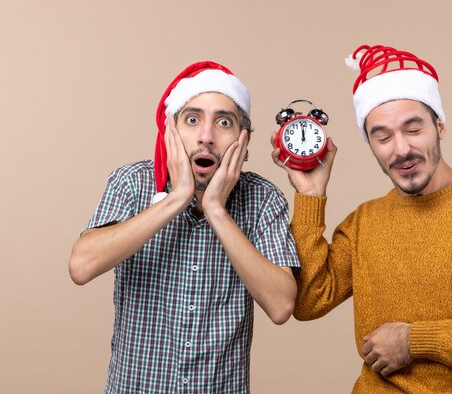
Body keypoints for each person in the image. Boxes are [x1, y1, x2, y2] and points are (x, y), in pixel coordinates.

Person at [271, 44, 452, 393]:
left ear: (440, 126)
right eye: (383, 136)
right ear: (370, 144)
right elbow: (309, 301)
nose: (400, 148)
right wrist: (310, 195)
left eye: (413, 129)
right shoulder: (364, 223)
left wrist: (413, 340)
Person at [70, 60, 300, 394]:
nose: (206, 136)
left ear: (243, 141)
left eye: (224, 122)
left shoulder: (262, 199)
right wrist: (177, 197)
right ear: (170, 132)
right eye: (192, 120)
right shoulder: (132, 183)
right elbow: (81, 266)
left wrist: (216, 210)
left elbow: (281, 306)